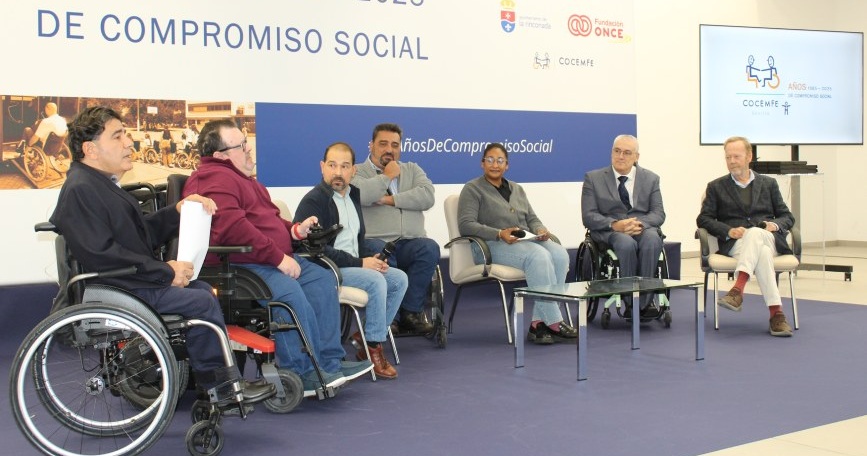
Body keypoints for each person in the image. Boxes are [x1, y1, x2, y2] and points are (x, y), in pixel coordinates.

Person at [49, 106, 274, 404]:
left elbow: (139, 235)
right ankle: (220, 387)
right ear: (90, 149)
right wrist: (166, 271)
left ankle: (217, 383)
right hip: (119, 287)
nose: (128, 142)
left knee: (202, 290)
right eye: (118, 136)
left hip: (128, 281)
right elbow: (104, 255)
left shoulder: (97, 185)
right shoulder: (81, 190)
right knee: (200, 301)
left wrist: (178, 211)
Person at [183, 119, 373, 393]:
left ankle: (329, 362)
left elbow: (269, 220)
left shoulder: (245, 180)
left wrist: (294, 230)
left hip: (264, 259)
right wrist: (278, 258)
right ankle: (301, 373)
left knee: (322, 279)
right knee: (288, 293)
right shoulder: (213, 178)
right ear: (220, 156)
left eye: (246, 142)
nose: (249, 149)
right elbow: (233, 230)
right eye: (241, 146)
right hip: (240, 264)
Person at [294, 142, 407, 379]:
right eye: (332, 165)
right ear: (322, 167)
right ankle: (373, 348)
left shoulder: (353, 194)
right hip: (328, 269)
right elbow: (314, 248)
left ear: (353, 171)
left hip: (354, 265)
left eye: (345, 166)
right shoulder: (314, 201)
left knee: (399, 279)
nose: (338, 172)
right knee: (376, 281)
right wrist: (361, 263)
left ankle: (365, 335)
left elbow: (356, 239)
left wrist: (369, 258)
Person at [457, 143, 577, 345]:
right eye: (490, 160)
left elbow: (532, 218)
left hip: (523, 242)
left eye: (500, 161)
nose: (495, 165)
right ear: (482, 163)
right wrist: (498, 233)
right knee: (538, 257)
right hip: (489, 246)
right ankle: (554, 321)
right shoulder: (472, 189)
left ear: (507, 165)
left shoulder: (517, 189)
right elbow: (466, 225)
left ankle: (538, 324)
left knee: (559, 254)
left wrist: (540, 230)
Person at [697, 136, 795, 337]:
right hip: (737, 244)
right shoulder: (715, 187)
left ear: (749, 156)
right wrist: (728, 230)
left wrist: (774, 225)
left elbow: (787, 217)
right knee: (763, 253)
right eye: (728, 157)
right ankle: (776, 314)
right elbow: (703, 219)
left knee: (757, 233)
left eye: (736, 156)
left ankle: (737, 289)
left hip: (768, 237)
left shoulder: (769, 184)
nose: (731, 161)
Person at [352, 123, 439, 334]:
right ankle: (389, 317)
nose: (389, 150)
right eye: (383, 144)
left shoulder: (412, 169)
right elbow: (363, 195)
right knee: (381, 249)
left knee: (429, 248)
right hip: (374, 241)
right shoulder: (357, 171)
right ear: (371, 145)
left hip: (410, 242)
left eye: (394, 145)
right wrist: (387, 176)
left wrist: (388, 199)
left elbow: (427, 197)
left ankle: (411, 313)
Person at [581, 134, 666, 314]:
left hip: (641, 227)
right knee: (625, 243)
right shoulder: (593, 178)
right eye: (617, 151)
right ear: (611, 152)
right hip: (609, 230)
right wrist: (615, 225)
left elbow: (658, 214)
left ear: (636, 157)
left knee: (652, 240)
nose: (621, 156)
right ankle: (631, 302)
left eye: (627, 153)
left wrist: (637, 224)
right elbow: (588, 216)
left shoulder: (651, 179)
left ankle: (644, 303)